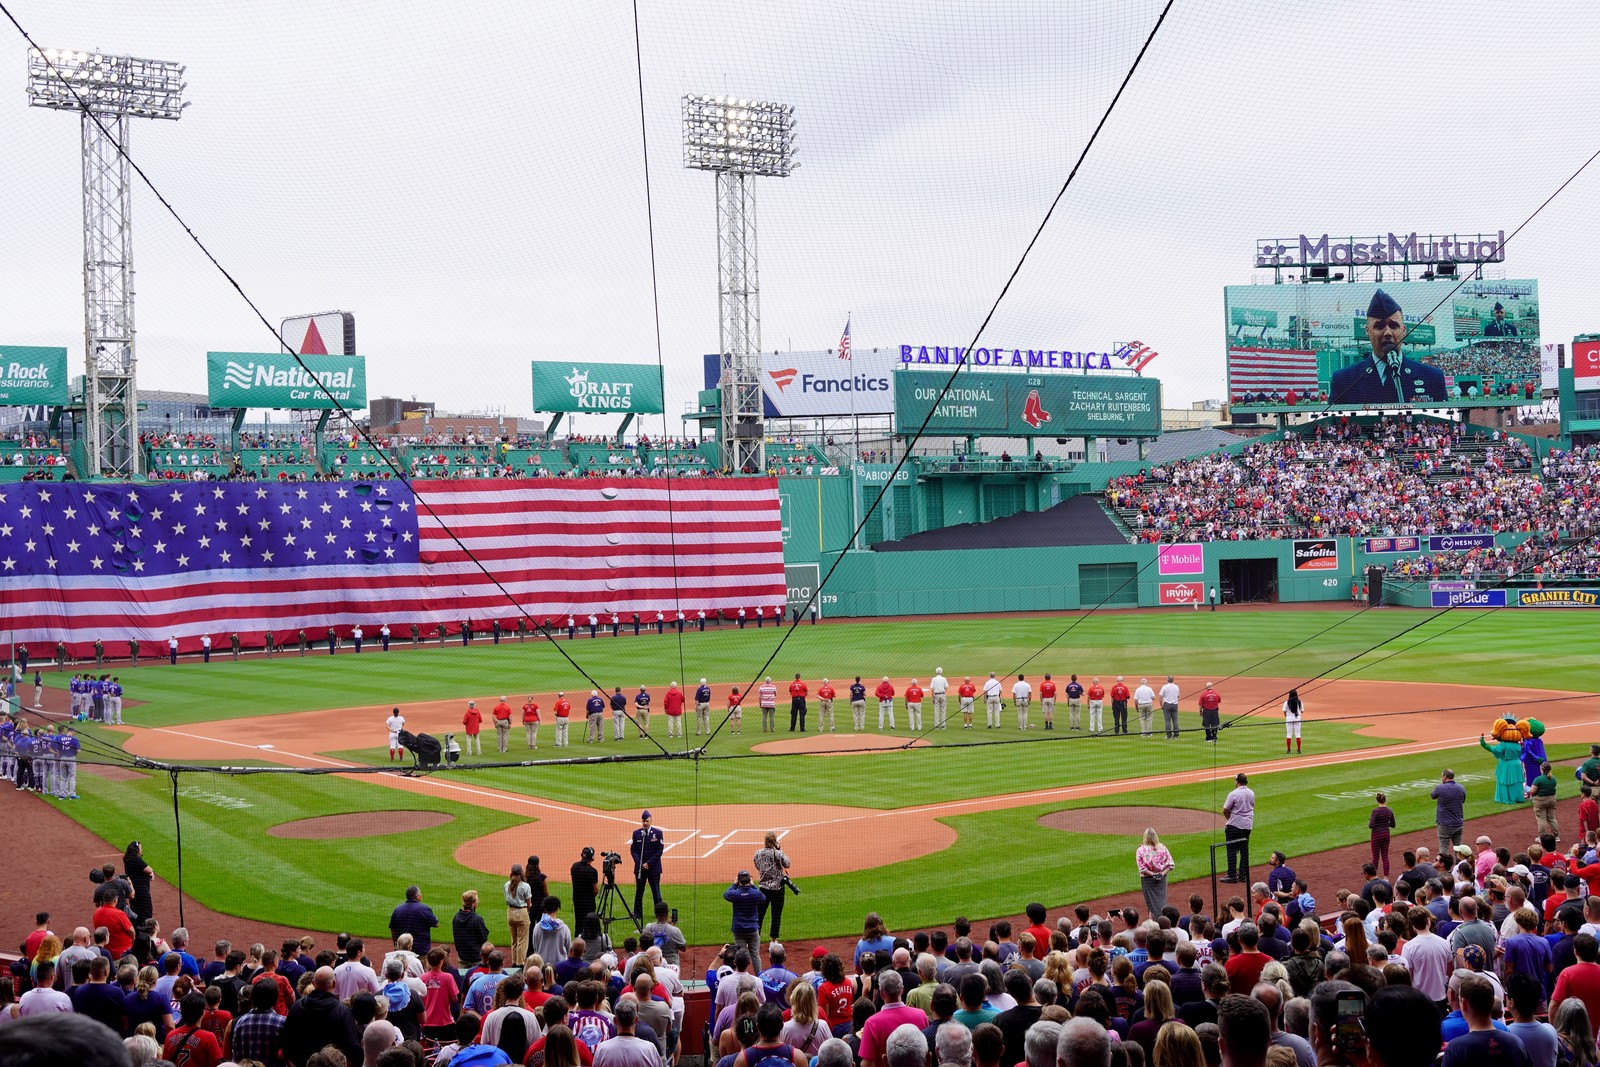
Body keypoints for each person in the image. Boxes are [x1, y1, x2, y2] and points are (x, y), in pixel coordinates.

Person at [1329, 290, 1447, 404]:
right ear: (1367, 331)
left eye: (1393, 326)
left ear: (1404, 331)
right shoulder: (1344, 381)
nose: (1387, 333)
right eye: (1379, 326)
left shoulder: (1432, 377)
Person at [754, 833, 792, 940]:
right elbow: (787, 864)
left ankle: (755, 939)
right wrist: (779, 849)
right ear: (775, 842)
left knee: (759, 915)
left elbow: (758, 866)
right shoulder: (778, 854)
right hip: (778, 889)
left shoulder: (758, 853)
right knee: (776, 915)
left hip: (763, 889)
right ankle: (773, 941)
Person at [632, 810, 665, 919]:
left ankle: (659, 914)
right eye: (643, 821)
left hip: (653, 868)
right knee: (639, 892)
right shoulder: (636, 834)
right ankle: (637, 914)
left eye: (647, 821)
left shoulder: (658, 833)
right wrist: (640, 863)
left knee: (656, 891)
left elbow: (659, 851)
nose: (645, 823)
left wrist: (648, 863)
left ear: (651, 820)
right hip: (640, 869)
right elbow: (633, 850)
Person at [1222, 773, 1254, 884]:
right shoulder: (1251, 792)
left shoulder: (1233, 794)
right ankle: (1242, 876)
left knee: (1231, 850)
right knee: (1244, 850)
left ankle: (1232, 875)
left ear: (1237, 781)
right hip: (1247, 826)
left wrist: (1229, 819)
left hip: (1235, 826)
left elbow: (1225, 810)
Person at [726, 871, 765, 962]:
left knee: (741, 955)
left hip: (738, 929)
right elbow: (763, 898)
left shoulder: (735, 894)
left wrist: (734, 885)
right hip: (752, 929)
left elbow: (726, 894)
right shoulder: (755, 893)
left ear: (738, 881)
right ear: (749, 880)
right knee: (755, 954)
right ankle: (758, 971)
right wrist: (753, 886)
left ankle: (741, 971)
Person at [1136, 829, 1175, 917]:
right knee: (1162, 901)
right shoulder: (1163, 848)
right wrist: (1161, 874)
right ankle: (1163, 920)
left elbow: (1142, 869)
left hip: (1148, 880)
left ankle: (1156, 922)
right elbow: (1171, 865)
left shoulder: (1141, 850)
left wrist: (1153, 875)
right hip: (1162, 879)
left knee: (1151, 904)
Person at [390, 885, 438, 955]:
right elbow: (436, 924)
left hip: (402, 951)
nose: (421, 895)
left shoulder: (397, 910)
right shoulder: (424, 909)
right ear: (416, 896)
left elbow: (393, 929)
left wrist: (395, 943)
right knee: (421, 962)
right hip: (420, 951)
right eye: (420, 893)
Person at [1433, 768, 1468, 860]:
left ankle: (1445, 867)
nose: (1441, 778)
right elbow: (1463, 800)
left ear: (1445, 776)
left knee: (1443, 849)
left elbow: (1433, 795)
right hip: (1458, 823)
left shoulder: (1440, 788)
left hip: (1444, 824)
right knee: (1459, 849)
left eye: (1442, 776)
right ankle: (1460, 866)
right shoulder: (1461, 788)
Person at [1482, 732, 1525, 805]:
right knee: (1516, 781)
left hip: (1506, 765)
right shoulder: (1517, 744)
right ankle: (1517, 797)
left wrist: (1483, 744)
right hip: (1517, 764)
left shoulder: (1504, 744)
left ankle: (1507, 798)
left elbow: (1494, 749)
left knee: (1505, 781)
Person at [504, 866, 533, 966]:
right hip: (521, 912)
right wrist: (528, 907)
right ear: (521, 873)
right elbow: (529, 903)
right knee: (522, 940)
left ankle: (514, 961)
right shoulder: (525, 886)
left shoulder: (506, 884)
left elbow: (506, 898)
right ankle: (520, 963)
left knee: (514, 940)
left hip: (510, 912)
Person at [571, 849, 600, 942]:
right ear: (592, 857)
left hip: (577, 900)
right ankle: (590, 943)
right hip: (588, 902)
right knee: (590, 923)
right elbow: (595, 890)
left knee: (578, 923)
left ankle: (577, 943)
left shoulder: (574, 867)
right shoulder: (593, 871)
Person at [1528, 761, 1560, 840]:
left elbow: (1532, 791)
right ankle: (1556, 836)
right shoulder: (1553, 778)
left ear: (1541, 769)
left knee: (1541, 819)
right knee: (1552, 818)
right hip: (1552, 800)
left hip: (1540, 801)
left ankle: (1541, 837)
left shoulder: (1538, 779)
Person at [1367, 792, 1395, 878]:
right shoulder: (1389, 810)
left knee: (1375, 857)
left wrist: (1371, 821)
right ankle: (1386, 877)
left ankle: (1373, 877)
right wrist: (1384, 824)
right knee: (1385, 856)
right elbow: (1393, 824)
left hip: (1376, 835)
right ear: (1385, 800)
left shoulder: (1375, 811)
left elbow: (1371, 825)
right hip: (1386, 834)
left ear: (1377, 800)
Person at [1282, 691, 1303, 755]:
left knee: (1289, 735)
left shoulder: (1286, 702)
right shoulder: (1300, 702)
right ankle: (1299, 750)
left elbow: (1284, 712)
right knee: (1298, 734)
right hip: (1297, 718)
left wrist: (1287, 717)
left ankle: (1289, 750)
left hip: (1289, 718)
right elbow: (1302, 711)